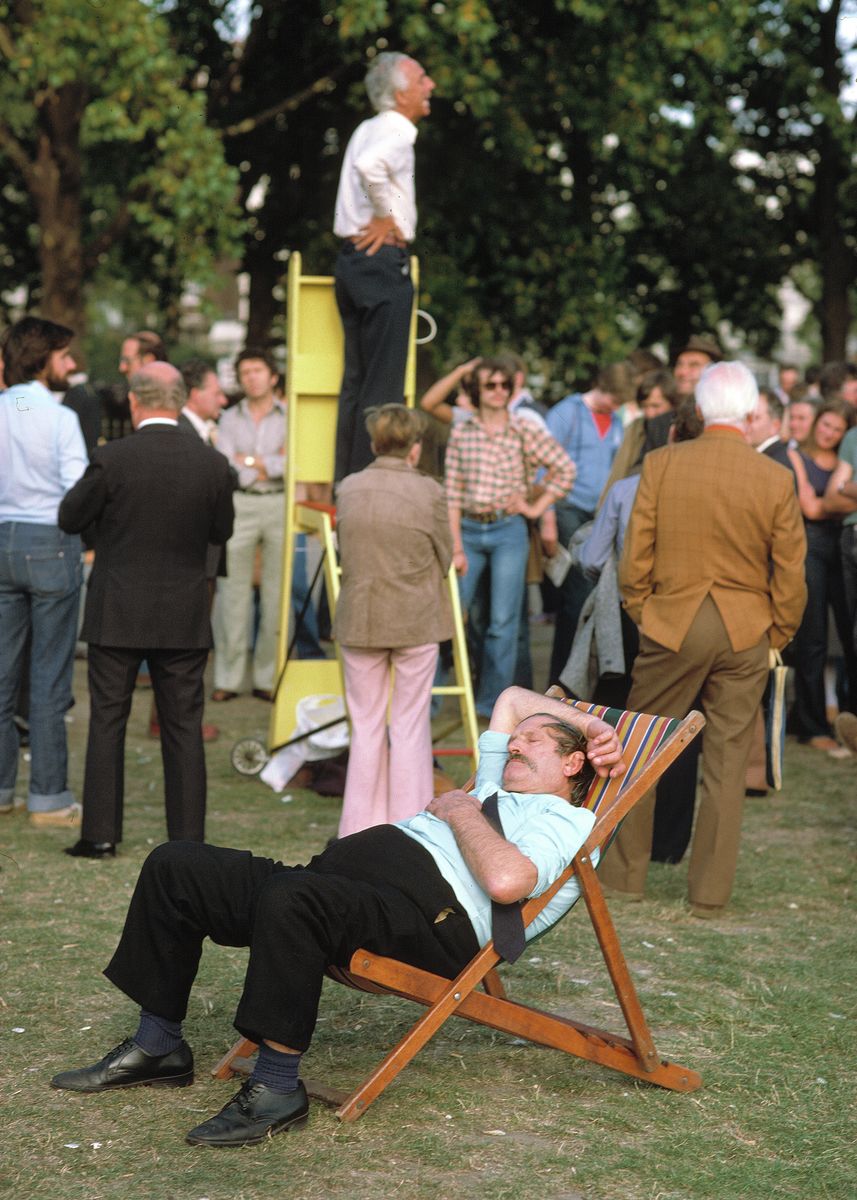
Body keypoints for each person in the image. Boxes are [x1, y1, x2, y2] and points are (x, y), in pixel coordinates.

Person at [50, 684, 624, 1147]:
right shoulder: (500, 782)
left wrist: (457, 809)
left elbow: (507, 882)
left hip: (423, 924)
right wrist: (595, 726)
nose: (514, 745)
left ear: (572, 764)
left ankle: (276, 1089)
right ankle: (158, 1045)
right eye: (514, 741)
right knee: (177, 864)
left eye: (532, 743)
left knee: (293, 899)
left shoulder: (564, 822)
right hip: (344, 889)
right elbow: (513, 698)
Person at [598, 361, 807, 916]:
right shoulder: (775, 476)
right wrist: (776, 633)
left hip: (673, 622)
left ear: (698, 408)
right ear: (750, 412)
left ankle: (624, 876)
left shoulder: (662, 462)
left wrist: (645, 612)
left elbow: (633, 553)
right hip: (747, 630)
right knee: (728, 761)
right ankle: (710, 894)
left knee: (640, 748)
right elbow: (790, 572)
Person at [58, 363, 235, 859]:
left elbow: (70, 516)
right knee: (183, 726)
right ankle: (188, 842)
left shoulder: (111, 458)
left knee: (107, 721)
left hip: (117, 606)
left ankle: (99, 835)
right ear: (179, 401)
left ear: (135, 402)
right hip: (183, 607)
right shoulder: (212, 463)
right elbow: (221, 532)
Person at [334, 405, 452, 835]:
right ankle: (410, 826)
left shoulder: (349, 488)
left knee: (365, 727)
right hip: (414, 618)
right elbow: (445, 555)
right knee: (408, 724)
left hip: (361, 617)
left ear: (374, 442)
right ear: (414, 447)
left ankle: (357, 828)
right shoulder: (430, 492)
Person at [445, 359, 575, 716]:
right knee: (452, 614)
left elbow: (565, 469)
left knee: (503, 624)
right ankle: (434, 697)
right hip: (469, 530)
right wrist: (455, 544)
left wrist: (534, 508)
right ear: (478, 390)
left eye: (505, 384)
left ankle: (493, 705)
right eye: (491, 385)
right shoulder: (462, 430)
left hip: (507, 529)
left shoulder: (523, 429)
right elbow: (452, 494)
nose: (499, 390)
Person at [0, 317, 87, 826]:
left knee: (2, 674)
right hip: (49, 540)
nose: (71, 365)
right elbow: (76, 491)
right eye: (64, 355)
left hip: (2, 537)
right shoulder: (56, 416)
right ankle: (49, 798)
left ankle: (3, 789)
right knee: (50, 677)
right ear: (43, 357)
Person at [333, 52, 435, 481]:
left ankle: (348, 481)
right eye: (422, 78)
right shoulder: (396, 129)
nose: (430, 85)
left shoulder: (367, 128)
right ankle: (373, 482)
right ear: (401, 93)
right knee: (384, 384)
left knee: (356, 384)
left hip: (353, 261)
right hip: (380, 261)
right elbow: (369, 168)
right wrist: (387, 216)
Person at [545, 362, 632, 686]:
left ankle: (580, 676)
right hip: (567, 507)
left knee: (593, 593)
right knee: (576, 593)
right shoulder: (566, 413)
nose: (618, 406)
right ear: (604, 389)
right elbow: (543, 468)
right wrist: (547, 518)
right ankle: (562, 679)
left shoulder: (616, 421)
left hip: (598, 513)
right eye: (615, 399)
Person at [211, 348, 285, 702]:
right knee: (232, 593)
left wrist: (251, 461)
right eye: (245, 372)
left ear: (273, 376)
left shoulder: (290, 416)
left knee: (276, 594)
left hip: (278, 502)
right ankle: (228, 678)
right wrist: (265, 464)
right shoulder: (229, 418)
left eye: (258, 370)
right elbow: (227, 464)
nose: (251, 377)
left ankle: (267, 678)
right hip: (240, 503)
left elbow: (292, 463)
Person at [786, 400, 856, 748]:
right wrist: (843, 497)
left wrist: (838, 494)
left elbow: (821, 502)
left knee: (850, 634)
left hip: (842, 547)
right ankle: (812, 725)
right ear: (816, 424)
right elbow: (810, 506)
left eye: (837, 429)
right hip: (810, 548)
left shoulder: (845, 460)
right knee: (812, 638)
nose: (829, 433)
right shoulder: (797, 455)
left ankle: (849, 720)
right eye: (825, 425)